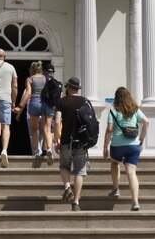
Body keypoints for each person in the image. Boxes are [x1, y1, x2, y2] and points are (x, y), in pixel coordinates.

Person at [102, 86, 149, 211]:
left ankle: (116, 189)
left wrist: (105, 147)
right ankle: (135, 202)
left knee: (114, 163)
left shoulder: (113, 110)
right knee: (131, 172)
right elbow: (146, 121)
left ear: (116, 98)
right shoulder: (135, 109)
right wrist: (142, 139)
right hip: (133, 145)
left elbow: (109, 130)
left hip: (117, 145)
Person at [54, 76, 91, 211]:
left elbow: (57, 122)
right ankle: (76, 202)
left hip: (66, 141)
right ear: (77, 89)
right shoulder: (84, 101)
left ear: (68, 88)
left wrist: (57, 139)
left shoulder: (62, 102)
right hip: (81, 142)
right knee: (79, 172)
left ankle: (67, 187)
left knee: (64, 166)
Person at [14, 61, 53, 162]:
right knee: (47, 129)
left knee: (34, 130)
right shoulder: (46, 78)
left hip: (34, 103)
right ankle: (49, 149)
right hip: (45, 104)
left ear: (32, 70)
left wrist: (20, 106)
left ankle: (37, 151)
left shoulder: (30, 79)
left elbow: (28, 93)